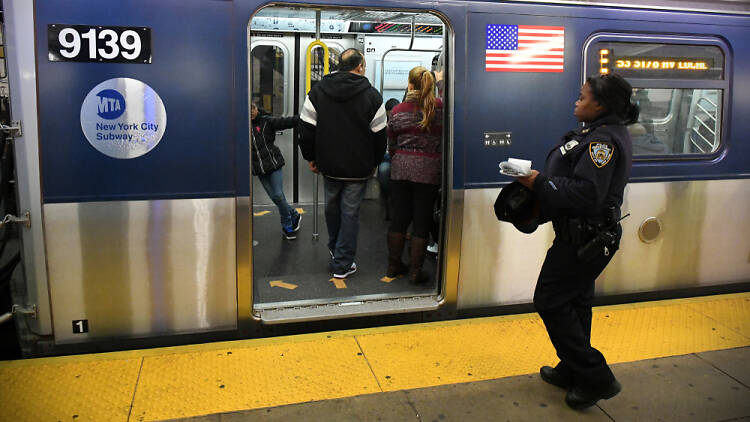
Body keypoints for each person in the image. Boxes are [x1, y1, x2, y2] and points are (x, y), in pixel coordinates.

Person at [516, 73, 639, 410]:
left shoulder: (603, 143)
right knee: (576, 303)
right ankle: (572, 369)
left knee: (551, 300)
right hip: (581, 235)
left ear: (599, 104)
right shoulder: (596, 134)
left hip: (584, 238)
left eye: (582, 97)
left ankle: (596, 376)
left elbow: (588, 195)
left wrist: (539, 182)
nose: (576, 101)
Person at [299, 48, 387, 279]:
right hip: (359, 168)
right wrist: (375, 162)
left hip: (328, 165)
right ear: (359, 67)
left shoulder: (317, 92)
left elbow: (306, 129)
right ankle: (343, 263)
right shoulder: (373, 96)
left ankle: (335, 248)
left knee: (332, 207)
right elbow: (380, 136)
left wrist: (310, 157)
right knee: (350, 212)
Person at [386, 66, 443, 284]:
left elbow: (391, 144)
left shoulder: (398, 110)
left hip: (400, 170)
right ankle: (415, 273)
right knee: (421, 221)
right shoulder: (439, 108)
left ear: (410, 85)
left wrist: (400, 159)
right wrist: (440, 83)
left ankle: (393, 266)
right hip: (428, 173)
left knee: (399, 220)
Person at [251, 103, 301, 240]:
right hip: (260, 169)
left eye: (253, 108)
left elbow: (287, 121)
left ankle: (287, 225)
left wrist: (304, 117)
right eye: (248, 109)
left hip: (273, 165)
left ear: (256, 108)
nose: (251, 112)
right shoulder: (242, 125)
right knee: (275, 198)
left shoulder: (266, 121)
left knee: (279, 195)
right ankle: (294, 214)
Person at [377, 98, 401, 221]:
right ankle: (387, 199)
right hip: (386, 156)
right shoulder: (382, 124)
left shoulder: (402, 122)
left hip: (398, 155)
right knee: (384, 172)